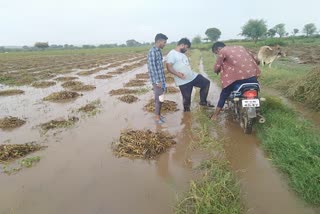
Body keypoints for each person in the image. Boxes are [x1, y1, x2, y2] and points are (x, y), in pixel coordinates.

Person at [210, 41, 261, 120]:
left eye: (216, 53)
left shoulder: (222, 51)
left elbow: (217, 66)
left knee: (224, 93)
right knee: (255, 92)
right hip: (252, 77)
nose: (217, 54)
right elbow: (257, 60)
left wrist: (216, 70)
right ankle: (256, 110)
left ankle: (215, 116)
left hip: (237, 80)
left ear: (217, 50)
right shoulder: (241, 47)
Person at [166, 38, 214, 112]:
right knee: (187, 100)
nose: (187, 50)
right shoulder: (172, 54)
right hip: (183, 81)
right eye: (186, 47)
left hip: (192, 77)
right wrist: (178, 74)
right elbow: (169, 67)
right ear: (182, 45)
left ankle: (203, 102)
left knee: (206, 83)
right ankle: (187, 116)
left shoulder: (182, 54)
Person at [147, 33, 168, 124]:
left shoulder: (158, 51)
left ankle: (158, 115)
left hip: (161, 79)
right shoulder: (152, 52)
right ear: (159, 41)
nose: (165, 44)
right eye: (164, 42)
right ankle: (157, 118)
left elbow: (159, 66)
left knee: (161, 98)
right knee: (159, 99)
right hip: (157, 80)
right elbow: (152, 67)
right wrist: (157, 81)